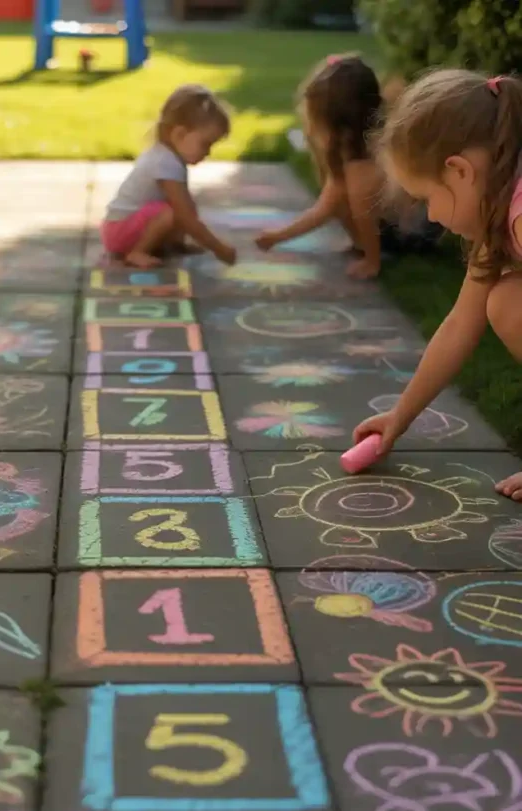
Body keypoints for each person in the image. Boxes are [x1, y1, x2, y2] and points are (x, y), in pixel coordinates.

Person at [353, 68, 522, 501]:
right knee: (502, 300)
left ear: (459, 171)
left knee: (508, 304)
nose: (429, 217)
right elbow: (460, 325)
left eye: (427, 197)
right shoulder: (500, 212)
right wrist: (400, 416)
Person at [255, 54, 440, 278]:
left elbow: (364, 217)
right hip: (397, 223)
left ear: (340, 130)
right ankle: (363, 245)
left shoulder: (362, 168)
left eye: (315, 122)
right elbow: (323, 209)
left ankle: (370, 251)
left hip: (414, 233)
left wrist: (371, 262)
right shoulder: (352, 153)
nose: (311, 128)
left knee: (345, 201)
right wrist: (277, 237)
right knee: (338, 199)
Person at [100, 84, 237, 269]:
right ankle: (137, 252)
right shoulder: (165, 163)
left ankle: (174, 244)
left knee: (184, 204)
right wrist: (219, 248)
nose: (208, 152)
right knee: (174, 211)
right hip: (118, 232)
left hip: (125, 226)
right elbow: (185, 217)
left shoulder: (168, 156)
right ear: (179, 134)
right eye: (205, 144)